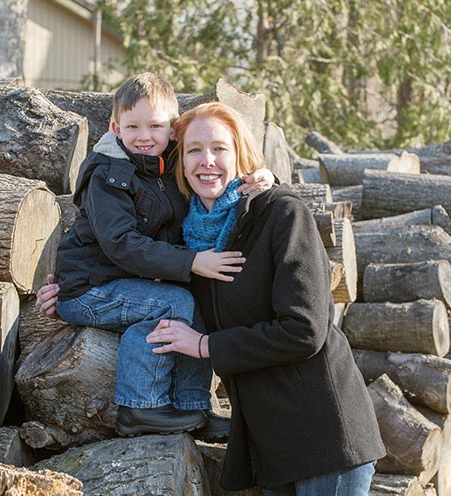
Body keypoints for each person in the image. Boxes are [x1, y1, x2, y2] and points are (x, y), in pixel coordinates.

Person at [146, 102, 386, 495]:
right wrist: (71, 289)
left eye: (219, 148)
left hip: (323, 436)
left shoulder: (281, 214)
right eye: (194, 150)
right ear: (180, 162)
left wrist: (206, 346)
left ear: (241, 154)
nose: (207, 161)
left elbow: (305, 330)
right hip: (270, 446)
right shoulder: (189, 241)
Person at [45, 73, 274, 440]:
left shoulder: (172, 163)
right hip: (89, 288)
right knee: (172, 305)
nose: (144, 136)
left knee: (187, 307)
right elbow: (120, 244)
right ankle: (141, 407)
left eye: (155, 125)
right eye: (133, 126)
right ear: (115, 127)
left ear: (173, 130)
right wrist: (192, 262)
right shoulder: (108, 173)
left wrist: (261, 177)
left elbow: (220, 171)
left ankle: (192, 407)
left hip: (127, 284)